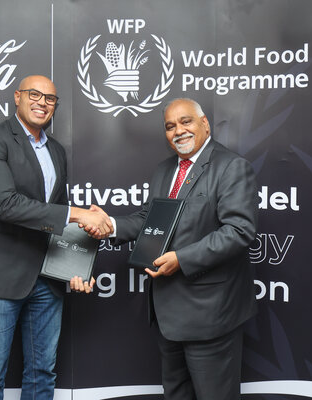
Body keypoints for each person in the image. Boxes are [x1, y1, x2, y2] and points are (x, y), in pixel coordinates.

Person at [85, 98, 258, 400]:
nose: (179, 130)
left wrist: (183, 258)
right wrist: (109, 224)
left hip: (210, 316)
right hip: (168, 314)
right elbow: (150, 219)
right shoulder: (165, 170)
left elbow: (239, 231)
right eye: (170, 126)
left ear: (205, 124)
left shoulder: (231, 167)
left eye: (186, 121)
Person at [0, 75, 112, 400]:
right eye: (34, 94)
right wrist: (80, 213)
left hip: (48, 280)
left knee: (42, 375)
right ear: (17, 97)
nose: (42, 102)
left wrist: (77, 269)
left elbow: (55, 215)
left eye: (51, 98)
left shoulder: (55, 150)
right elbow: (6, 205)